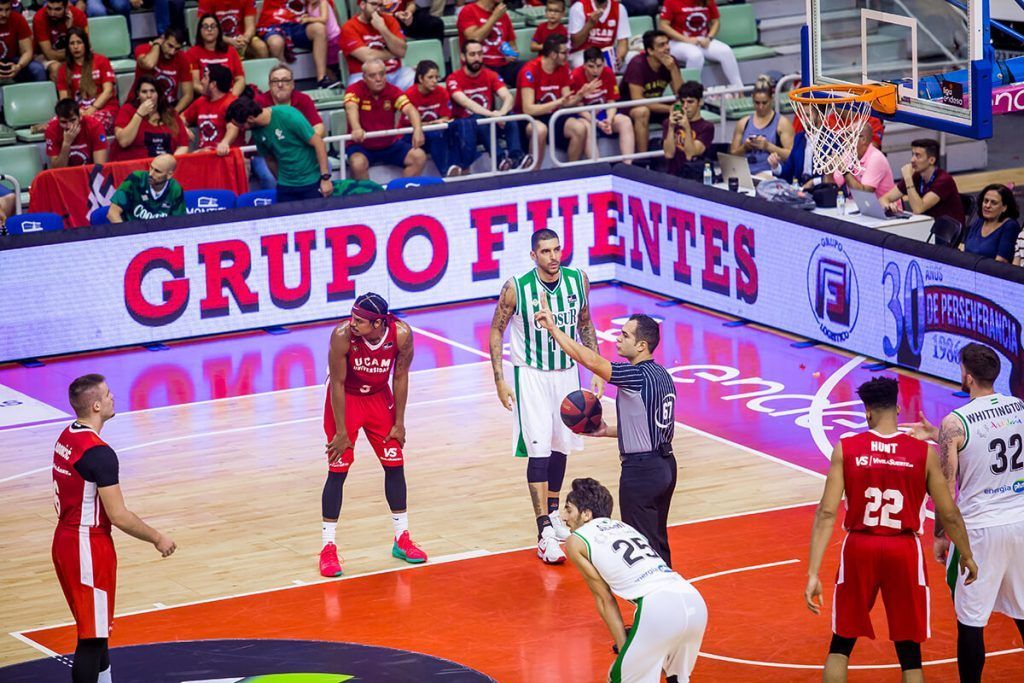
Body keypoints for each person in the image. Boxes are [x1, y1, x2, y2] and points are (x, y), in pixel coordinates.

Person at [805, 376, 978, 683]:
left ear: (867, 412)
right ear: (898, 408)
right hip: (904, 551)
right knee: (910, 653)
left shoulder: (846, 449)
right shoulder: (923, 453)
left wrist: (812, 573)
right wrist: (966, 553)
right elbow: (949, 513)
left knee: (840, 645)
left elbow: (826, 512)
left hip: (859, 548)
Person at [901, 344, 1024, 683]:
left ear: (967, 377)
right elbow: (990, 441)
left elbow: (946, 488)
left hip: (979, 532)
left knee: (971, 621)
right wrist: (936, 436)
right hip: (1019, 523)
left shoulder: (956, 422)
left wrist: (940, 535)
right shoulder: (1019, 407)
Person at [52, 374, 176, 683]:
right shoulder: (99, 454)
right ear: (96, 405)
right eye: (107, 394)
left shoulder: (67, 436)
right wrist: (157, 537)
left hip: (66, 540)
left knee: (96, 628)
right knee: (91, 639)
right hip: (87, 545)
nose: (112, 398)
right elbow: (118, 515)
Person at [489, 228, 602, 565]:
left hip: (567, 372)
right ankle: (543, 534)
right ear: (533, 255)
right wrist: (499, 380)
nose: (553, 256)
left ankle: (553, 515)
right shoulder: (516, 288)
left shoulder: (578, 280)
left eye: (557, 249)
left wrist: (597, 367)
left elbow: (585, 324)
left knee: (560, 446)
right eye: (546, 251)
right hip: (531, 376)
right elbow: (496, 330)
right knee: (538, 451)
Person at [536, 304, 678, 567]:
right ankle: (668, 582)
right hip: (666, 466)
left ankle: (650, 588)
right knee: (658, 539)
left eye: (625, 335)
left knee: (642, 543)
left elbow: (590, 361)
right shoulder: (663, 376)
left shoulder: (636, 375)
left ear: (642, 346)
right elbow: (652, 427)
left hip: (642, 472)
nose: (618, 339)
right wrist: (606, 431)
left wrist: (553, 329)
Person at [319, 292, 428, 577]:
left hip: (379, 398)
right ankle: (328, 547)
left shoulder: (401, 335)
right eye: (352, 317)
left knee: (395, 465)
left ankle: (402, 538)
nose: (352, 323)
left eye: (360, 321)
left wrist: (399, 422)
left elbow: (400, 376)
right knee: (337, 470)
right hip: (346, 400)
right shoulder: (342, 336)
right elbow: (337, 383)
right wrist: (341, 431)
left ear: (378, 323)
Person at [562, 478, 707, 683]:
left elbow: (604, 599)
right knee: (676, 678)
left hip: (660, 608)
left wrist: (623, 649)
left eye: (568, 510)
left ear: (586, 514)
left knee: (618, 678)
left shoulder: (576, 540)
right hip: (693, 601)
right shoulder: (624, 527)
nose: (564, 518)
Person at [224, 96, 334, 202]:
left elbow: (318, 143)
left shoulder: (288, 115)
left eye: (241, 126)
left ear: (251, 119)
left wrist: (325, 178)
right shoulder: (256, 132)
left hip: (311, 180)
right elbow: (269, 159)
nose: (242, 130)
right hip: (285, 186)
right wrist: (280, 180)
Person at [446, 38, 528, 172]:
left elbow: (508, 97)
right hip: (466, 130)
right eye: (472, 54)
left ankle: (516, 157)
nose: (477, 58)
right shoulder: (453, 79)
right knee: (479, 119)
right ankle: (500, 159)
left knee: (510, 116)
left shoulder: (490, 75)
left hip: (489, 124)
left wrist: (501, 114)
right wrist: (492, 115)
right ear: (463, 57)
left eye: (479, 54)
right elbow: (467, 103)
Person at [516, 34, 598, 167]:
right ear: (553, 54)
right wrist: (558, 102)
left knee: (579, 128)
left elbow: (566, 101)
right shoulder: (530, 70)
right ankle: (534, 173)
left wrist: (580, 95)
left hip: (552, 116)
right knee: (540, 130)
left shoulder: (563, 68)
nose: (567, 56)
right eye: (564, 53)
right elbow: (528, 109)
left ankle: (570, 171)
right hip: (528, 119)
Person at [343, 58, 426, 180]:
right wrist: (356, 128)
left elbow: (410, 109)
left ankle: (401, 190)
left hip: (389, 144)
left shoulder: (393, 90)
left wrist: (418, 130)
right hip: (361, 146)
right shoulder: (354, 89)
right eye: (372, 75)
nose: (378, 79)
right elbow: (351, 107)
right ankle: (370, 192)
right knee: (357, 163)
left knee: (419, 156)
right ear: (364, 77)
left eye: (382, 74)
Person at [621, 30, 683, 154]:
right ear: (650, 50)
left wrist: (673, 69)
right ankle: (643, 159)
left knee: (684, 107)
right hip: (629, 107)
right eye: (661, 45)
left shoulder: (671, 62)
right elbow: (637, 101)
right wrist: (669, 109)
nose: (667, 48)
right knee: (642, 112)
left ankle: (678, 156)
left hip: (655, 104)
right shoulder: (637, 64)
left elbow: (681, 94)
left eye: (667, 43)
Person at [659, 0, 743, 90]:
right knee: (695, 55)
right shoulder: (671, 1)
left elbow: (716, 22)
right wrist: (685, 39)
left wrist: (709, 37)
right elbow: (663, 26)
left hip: (702, 39)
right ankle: (691, 92)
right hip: (677, 41)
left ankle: (739, 89)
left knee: (726, 51)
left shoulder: (708, 1)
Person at [880, 138, 965, 226]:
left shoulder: (944, 180)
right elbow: (883, 199)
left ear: (931, 160)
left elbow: (918, 209)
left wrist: (908, 178)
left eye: (918, 156)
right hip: (925, 226)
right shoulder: (916, 176)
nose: (912, 160)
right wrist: (888, 206)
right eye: (913, 154)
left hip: (947, 231)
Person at [570, 46, 634, 162]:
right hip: (584, 115)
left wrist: (609, 119)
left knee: (625, 121)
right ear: (584, 65)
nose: (595, 71)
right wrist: (597, 123)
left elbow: (611, 102)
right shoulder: (576, 76)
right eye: (591, 66)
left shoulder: (608, 72)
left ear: (604, 63)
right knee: (587, 127)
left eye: (599, 66)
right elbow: (579, 108)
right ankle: (597, 165)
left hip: (603, 113)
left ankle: (627, 165)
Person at [402, 59, 460, 177]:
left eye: (436, 77)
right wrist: (433, 123)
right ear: (420, 78)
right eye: (430, 77)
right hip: (411, 135)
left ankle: (461, 165)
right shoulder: (409, 95)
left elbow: (445, 118)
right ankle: (446, 171)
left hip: (434, 134)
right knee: (435, 133)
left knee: (455, 130)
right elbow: (409, 124)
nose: (435, 81)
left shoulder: (441, 92)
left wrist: (433, 124)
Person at [56, 28, 119, 135]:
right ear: (67, 47)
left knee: (89, 124)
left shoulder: (101, 61)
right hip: (77, 113)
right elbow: (64, 99)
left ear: (86, 44)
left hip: (105, 108)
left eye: (79, 42)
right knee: (56, 125)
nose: (76, 47)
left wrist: (93, 108)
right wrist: (76, 112)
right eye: (72, 43)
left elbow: (108, 91)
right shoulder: (63, 69)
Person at [257, 0, 333, 88]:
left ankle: (322, 79)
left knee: (319, 29)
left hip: (298, 23)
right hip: (273, 24)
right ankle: (283, 83)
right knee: (276, 43)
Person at [341, 0, 414, 90]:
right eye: (374, 4)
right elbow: (368, 56)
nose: (378, 9)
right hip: (364, 76)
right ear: (363, 5)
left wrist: (382, 28)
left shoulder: (390, 21)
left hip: (396, 73)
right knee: (356, 90)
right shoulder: (349, 27)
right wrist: (393, 53)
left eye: (381, 5)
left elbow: (401, 51)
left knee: (417, 80)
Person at [113, 75, 190, 161]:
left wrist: (169, 162)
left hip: (165, 166)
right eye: (144, 92)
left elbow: (183, 145)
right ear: (138, 94)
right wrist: (139, 114)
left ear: (158, 94)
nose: (149, 95)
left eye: (152, 91)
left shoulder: (170, 114)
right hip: (134, 165)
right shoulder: (127, 110)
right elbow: (123, 141)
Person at [729, 75, 794, 174]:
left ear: (771, 99)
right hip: (747, 173)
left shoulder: (782, 123)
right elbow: (732, 156)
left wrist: (768, 146)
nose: (760, 107)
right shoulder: (743, 123)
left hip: (770, 173)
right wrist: (745, 147)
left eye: (764, 103)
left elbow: (791, 156)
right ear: (752, 99)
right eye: (757, 103)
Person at [456, 0, 522, 87]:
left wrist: (511, 54)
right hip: (480, 65)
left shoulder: (503, 14)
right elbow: (474, 39)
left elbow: (513, 46)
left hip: (504, 65)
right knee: (494, 80)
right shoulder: (468, 11)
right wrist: (494, 17)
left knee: (528, 71)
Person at [108, 154, 186, 223]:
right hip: (131, 231)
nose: (151, 174)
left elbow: (179, 222)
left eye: (157, 171)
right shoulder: (135, 179)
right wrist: (126, 233)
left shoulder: (175, 189)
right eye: (151, 167)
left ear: (169, 175)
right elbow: (112, 213)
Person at [133, 28, 194, 115]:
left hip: (167, 107)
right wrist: (156, 44)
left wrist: (173, 113)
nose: (172, 52)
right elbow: (149, 64)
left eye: (177, 49)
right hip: (140, 105)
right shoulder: (144, 48)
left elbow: (188, 95)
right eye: (170, 46)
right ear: (162, 38)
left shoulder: (182, 58)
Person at [663, 80, 714, 180]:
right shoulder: (668, 123)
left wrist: (687, 128)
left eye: (690, 102)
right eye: (683, 102)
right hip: (673, 176)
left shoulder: (707, 127)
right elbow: (668, 154)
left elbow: (690, 155)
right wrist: (671, 127)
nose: (685, 106)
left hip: (694, 178)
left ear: (700, 102)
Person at [832, 121, 896, 200]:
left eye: (850, 135)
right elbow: (835, 184)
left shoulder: (876, 158)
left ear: (863, 139)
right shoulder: (848, 153)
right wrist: (830, 168)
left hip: (885, 207)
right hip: (859, 205)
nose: (846, 139)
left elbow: (864, 194)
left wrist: (844, 171)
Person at [187, 14, 246, 98]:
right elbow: (195, 84)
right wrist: (214, 96)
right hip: (206, 97)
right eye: (205, 26)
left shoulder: (231, 51)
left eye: (213, 26)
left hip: (230, 96)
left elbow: (240, 79)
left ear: (218, 30)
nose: (209, 29)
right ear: (199, 30)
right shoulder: (192, 52)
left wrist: (231, 97)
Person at [183, 63, 237, 150]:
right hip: (203, 154)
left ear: (213, 84)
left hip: (226, 154)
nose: (201, 81)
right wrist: (184, 129)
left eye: (205, 77)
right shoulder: (201, 101)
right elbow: (182, 118)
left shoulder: (232, 102)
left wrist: (225, 143)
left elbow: (233, 127)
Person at [960, 183, 1020, 262]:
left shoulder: (1010, 227)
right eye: (986, 201)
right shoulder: (979, 221)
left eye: (993, 203)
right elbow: (963, 248)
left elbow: (1001, 262)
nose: (987, 206)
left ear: (1004, 208)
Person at [32, 0, 88, 80]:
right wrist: (74, 52)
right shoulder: (39, 17)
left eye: (57, 9)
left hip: (69, 54)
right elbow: (49, 55)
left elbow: (85, 48)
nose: (52, 13)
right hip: (43, 56)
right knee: (57, 68)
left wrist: (70, 29)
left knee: (90, 64)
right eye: (49, 8)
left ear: (66, 8)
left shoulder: (78, 15)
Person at [45, 98, 109, 167]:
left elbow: (99, 167)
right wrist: (66, 144)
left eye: (73, 120)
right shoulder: (52, 130)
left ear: (80, 116)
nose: (69, 126)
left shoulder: (95, 126)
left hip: (90, 172)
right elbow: (57, 169)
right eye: (63, 122)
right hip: (66, 173)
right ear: (58, 119)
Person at [568, 0, 631, 70]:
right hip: (583, 53)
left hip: (606, 53)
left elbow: (623, 40)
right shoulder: (579, 7)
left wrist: (621, 56)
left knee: (632, 58)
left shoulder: (619, 8)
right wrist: (590, 24)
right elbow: (575, 43)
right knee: (581, 62)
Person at [197, 0, 269, 59]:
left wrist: (245, 38)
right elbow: (206, 29)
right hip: (217, 39)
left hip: (241, 39)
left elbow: (250, 27)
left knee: (261, 47)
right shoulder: (206, 1)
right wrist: (228, 40)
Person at [0, 0, 46, 82]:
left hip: (14, 60)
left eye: (7, 10)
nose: (4, 14)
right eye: (0, 10)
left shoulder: (17, 19)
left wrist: (19, 66)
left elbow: (27, 51)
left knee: (37, 69)